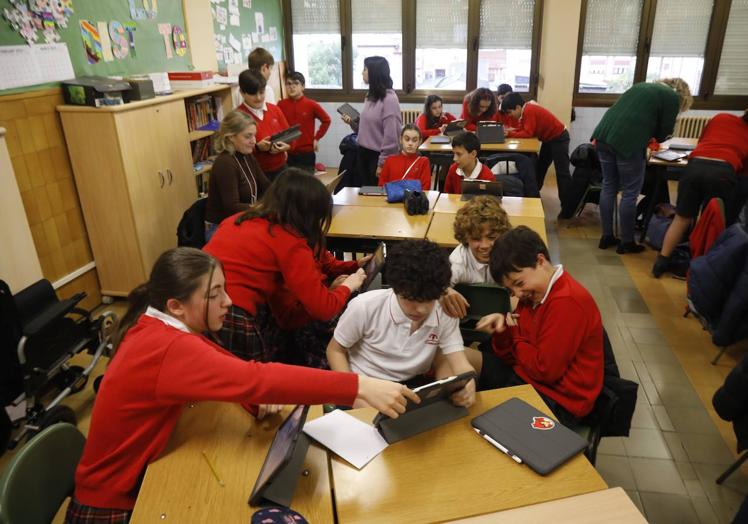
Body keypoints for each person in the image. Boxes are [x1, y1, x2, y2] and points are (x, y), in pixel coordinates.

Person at [64, 247, 418, 523]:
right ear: (176, 306)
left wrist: (250, 399)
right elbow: (256, 378)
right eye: (215, 294)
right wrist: (358, 386)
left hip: (120, 483)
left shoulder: (160, 326)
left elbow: (231, 372)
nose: (228, 302)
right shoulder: (168, 346)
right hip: (111, 504)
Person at [203, 169, 367, 363]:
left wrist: (348, 271)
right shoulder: (288, 240)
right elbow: (323, 309)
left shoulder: (237, 220)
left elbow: (285, 308)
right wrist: (348, 286)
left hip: (199, 304)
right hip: (232, 313)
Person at [469, 226, 604, 426]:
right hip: (527, 377)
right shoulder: (534, 295)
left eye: (519, 283)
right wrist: (503, 331)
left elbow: (544, 371)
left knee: (479, 422)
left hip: (559, 399)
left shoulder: (566, 302)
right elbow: (509, 355)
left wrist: (514, 334)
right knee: (455, 361)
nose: (517, 293)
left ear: (540, 261)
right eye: (510, 289)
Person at [327, 240, 476, 407]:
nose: (420, 309)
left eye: (428, 300)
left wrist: (468, 383)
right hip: (365, 384)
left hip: (412, 386)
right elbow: (335, 350)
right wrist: (353, 393)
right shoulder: (365, 306)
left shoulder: (444, 311)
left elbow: (459, 363)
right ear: (395, 289)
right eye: (410, 299)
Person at [592, 78, 693, 254]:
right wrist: (653, 139)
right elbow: (664, 133)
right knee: (630, 194)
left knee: (608, 186)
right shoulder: (671, 97)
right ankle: (627, 241)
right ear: (683, 95)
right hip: (627, 144)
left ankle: (607, 236)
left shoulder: (641, 86)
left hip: (603, 136)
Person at [652, 110, 748, 278]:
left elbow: (702, 140)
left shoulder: (721, 117)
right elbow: (743, 173)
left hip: (694, 168)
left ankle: (661, 261)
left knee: (681, 218)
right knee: (710, 223)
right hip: (723, 174)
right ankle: (699, 268)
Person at [440, 196, 512, 319]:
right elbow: (433, 290)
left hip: (503, 324)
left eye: (491, 237)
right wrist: (443, 291)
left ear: (502, 234)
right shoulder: (457, 263)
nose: (484, 246)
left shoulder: (511, 257)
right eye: (476, 238)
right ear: (465, 238)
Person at [501, 93, 572, 216]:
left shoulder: (529, 110)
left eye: (509, 112)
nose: (509, 116)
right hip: (549, 139)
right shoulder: (525, 111)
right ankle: (532, 197)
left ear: (518, 107)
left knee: (562, 173)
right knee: (540, 168)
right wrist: (511, 131)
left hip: (559, 138)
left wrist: (510, 134)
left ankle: (568, 208)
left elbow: (528, 133)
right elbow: (524, 128)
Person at [204, 111, 270, 242]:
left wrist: (285, 195)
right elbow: (232, 207)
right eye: (248, 136)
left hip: (242, 220)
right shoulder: (225, 163)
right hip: (220, 228)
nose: (254, 141)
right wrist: (264, 208)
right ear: (231, 137)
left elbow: (266, 186)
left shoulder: (247, 155)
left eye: (254, 136)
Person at [341, 56, 402, 187]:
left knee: (376, 198)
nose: (362, 72)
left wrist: (382, 164)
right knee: (365, 194)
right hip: (363, 153)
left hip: (377, 157)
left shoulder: (389, 99)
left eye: (365, 69)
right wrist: (352, 123)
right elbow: (367, 129)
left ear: (374, 72)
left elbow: (392, 137)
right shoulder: (370, 96)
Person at [236, 69, 290, 180]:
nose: (259, 98)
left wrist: (286, 147)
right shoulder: (238, 117)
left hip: (281, 168)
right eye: (253, 94)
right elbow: (235, 152)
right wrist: (257, 148)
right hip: (255, 173)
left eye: (261, 92)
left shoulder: (274, 109)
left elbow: (289, 136)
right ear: (242, 92)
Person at [277, 71, 331, 172]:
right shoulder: (281, 104)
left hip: (306, 153)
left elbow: (326, 120)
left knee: (306, 185)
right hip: (286, 152)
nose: (292, 87)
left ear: (303, 86)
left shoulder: (311, 104)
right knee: (289, 184)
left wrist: (316, 138)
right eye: (288, 83)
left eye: (296, 83)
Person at [377, 124, 432, 190]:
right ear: (401, 140)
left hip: (413, 200)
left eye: (414, 140)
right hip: (391, 199)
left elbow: (425, 188)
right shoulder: (390, 160)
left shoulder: (423, 162)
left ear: (419, 142)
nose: (410, 143)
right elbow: (381, 186)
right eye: (407, 139)